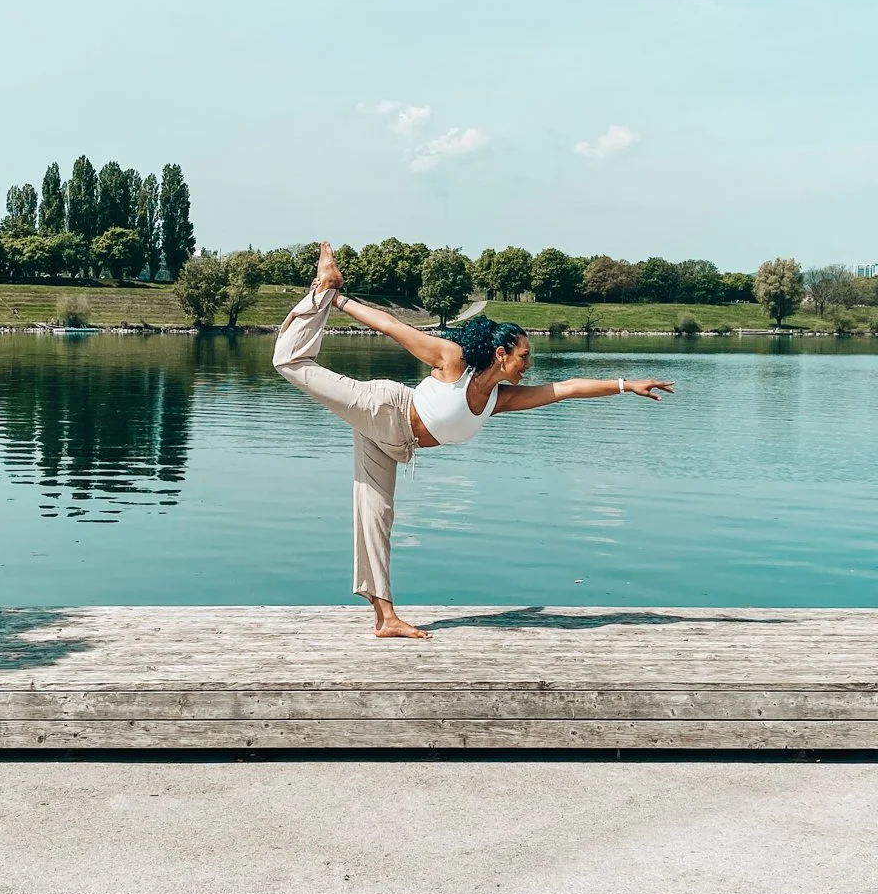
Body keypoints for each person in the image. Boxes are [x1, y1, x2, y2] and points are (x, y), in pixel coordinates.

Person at [273, 241, 674, 639]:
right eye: (524, 356)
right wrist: (336, 301)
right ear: (501, 353)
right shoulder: (452, 360)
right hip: (383, 408)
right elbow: (391, 326)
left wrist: (626, 384)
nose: (529, 365)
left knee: (376, 517)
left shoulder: (501, 400)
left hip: (394, 445)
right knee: (289, 362)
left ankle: (385, 618)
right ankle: (323, 289)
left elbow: (567, 388)